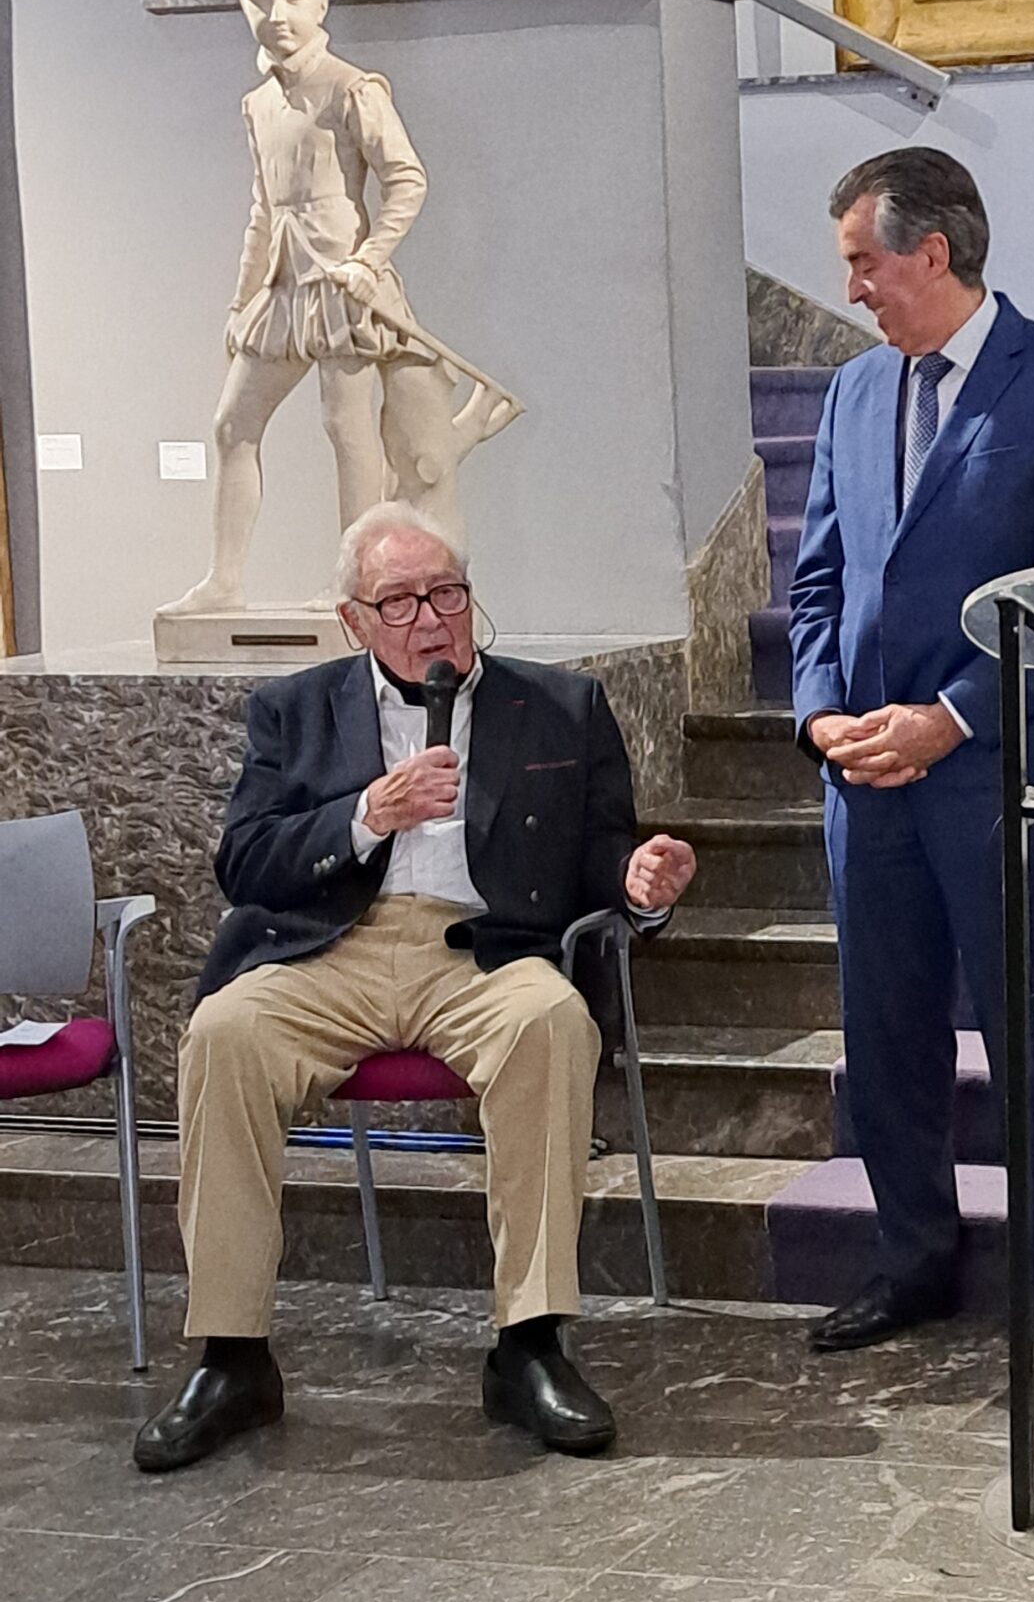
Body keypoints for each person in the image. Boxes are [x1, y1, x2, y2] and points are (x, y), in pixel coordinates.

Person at [134, 504, 697, 1473]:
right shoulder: (295, 710)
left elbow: (602, 849)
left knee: (551, 1022)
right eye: (399, 601)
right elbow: (246, 861)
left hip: (482, 948)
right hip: (331, 949)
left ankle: (528, 1344)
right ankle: (232, 1357)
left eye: (446, 593)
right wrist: (365, 814)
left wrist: (638, 881)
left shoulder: (561, 706)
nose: (431, 618)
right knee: (225, 1033)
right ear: (353, 620)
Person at [790, 148, 1034, 1364]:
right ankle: (912, 1261)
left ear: (931, 252)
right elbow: (820, 581)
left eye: (862, 263)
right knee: (886, 1033)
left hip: (999, 771)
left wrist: (950, 716)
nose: (851, 290)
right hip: (865, 777)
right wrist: (820, 715)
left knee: (1031, 1028)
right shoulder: (852, 393)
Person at [157, 0, 517, 622]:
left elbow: (406, 179)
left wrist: (369, 258)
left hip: (343, 288)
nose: (277, 15)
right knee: (232, 425)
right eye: (259, 0)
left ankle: (356, 582)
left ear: (321, 2)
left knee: (347, 432)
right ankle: (223, 580)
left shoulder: (352, 88)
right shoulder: (257, 105)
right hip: (284, 287)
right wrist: (241, 300)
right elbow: (264, 209)